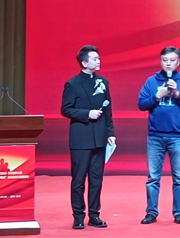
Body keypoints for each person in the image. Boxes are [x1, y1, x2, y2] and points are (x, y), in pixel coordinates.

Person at [137, 46, 180, 225]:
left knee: (179, 178)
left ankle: (179, 212)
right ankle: (151, 212)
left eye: (172, 60)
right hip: (155, 136)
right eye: (165, 60)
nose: (168, 63)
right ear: (161, 61)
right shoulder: (151, 81)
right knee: (153, 177)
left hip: (177, 137)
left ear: (178, 62)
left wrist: (177, 94)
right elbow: (141, 104)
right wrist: (157, 96)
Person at [61, 45, 116, 230]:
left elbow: (108, 110)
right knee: (78, 180)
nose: (98, 61)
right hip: (81, 138)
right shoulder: (72, 84)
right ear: (84, 63)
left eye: (99, 58)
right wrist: (87, 114)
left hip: (99, 137)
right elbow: (66, 109)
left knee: (96, 180)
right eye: (95, 59)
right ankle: (78, 216)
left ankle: (94, 215)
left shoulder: (103, 82)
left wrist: (110, 133)